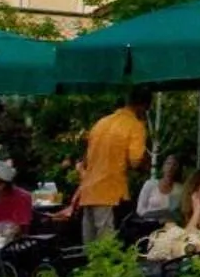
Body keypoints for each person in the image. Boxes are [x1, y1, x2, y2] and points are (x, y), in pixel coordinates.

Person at [60, 90, 147, 244]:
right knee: (107, 246)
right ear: (143, 106)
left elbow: (87, 159)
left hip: (88, 191)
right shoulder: (135, 126)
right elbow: (135, 161)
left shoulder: (101, 123)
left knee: (90, 246)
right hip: (110, 192)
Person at [136, 153, 183, 219]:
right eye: (168, 163)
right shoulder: (150, 184)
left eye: (174, 165)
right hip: (149, 225)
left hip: (169, 226)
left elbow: (180, 212)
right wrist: (160, 213)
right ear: (163, 166)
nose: (170, 167)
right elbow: (140, 210)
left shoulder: (180, 189)